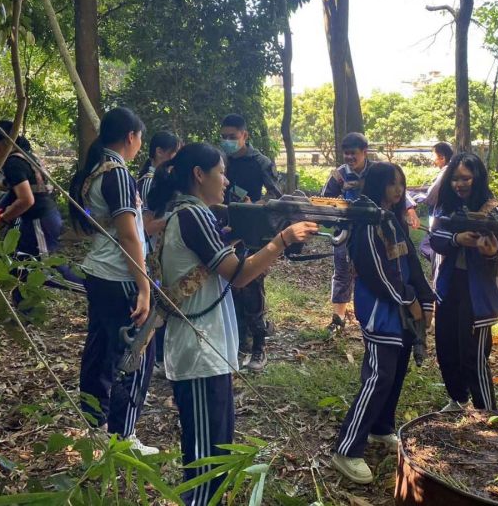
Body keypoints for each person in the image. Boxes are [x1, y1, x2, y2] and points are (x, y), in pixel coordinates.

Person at [147, 142, 317, 505]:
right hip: (199, 353)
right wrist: (282, 240)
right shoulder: (191, 215)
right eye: (221, 172)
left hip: (206, 348)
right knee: (205, 460)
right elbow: (238, 275)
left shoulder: (195, 214)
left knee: (215, 448)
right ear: (199, 175)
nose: (225, 181)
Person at [331, 162, 434, 485]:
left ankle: (381, 427)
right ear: (377, 185)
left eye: (401, 183)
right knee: (380, 375)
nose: (398, 190)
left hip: (402, 310)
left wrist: (426, 298)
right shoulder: (367, 221)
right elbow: (376, 273)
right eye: (391, 184)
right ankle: (347, 448)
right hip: (380, 310)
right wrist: (409, 301)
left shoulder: (392, 218)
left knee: (396, 371)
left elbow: (410, 264)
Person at [68, 107, 157, 455]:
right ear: (131, 137)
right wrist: (145, 286)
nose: (139, 146)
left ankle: (95, 424)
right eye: (140, 140)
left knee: (101, 349)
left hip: (98, 271)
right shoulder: (118, 173)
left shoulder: (94, 168)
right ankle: (124, 436)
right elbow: (128, 236)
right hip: (120, 275)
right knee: (135, 354)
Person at [430, 152, 498, 413]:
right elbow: (435, 238)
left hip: (480, 291)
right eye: (454, 178)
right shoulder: (447, 207)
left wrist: (489, 252)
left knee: (474, 355)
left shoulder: (495, 210)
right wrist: (458, 240)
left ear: (477, 178)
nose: (460, 184)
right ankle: (457, 399)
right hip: (450, 284)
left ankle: (487, 410)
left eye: (466, 178)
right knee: (445, 346)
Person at [321, 133, 420, 336]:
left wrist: (410, 210)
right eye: (346, 154)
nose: (349, 158)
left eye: (353, 153)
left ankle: (383, 312)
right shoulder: (338, 176)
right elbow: (324, 201)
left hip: (379, 232)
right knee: (342, 272)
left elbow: (400, 191)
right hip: (347, 233)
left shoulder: (379, 171)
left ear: (365, 152)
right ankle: (338, 317)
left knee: (381, 270)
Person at [0, 121, 85, 312]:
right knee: (17, 264)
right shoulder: (23, 157)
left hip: (40, 220)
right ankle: (25, 313)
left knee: (45, 268)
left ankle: (94, 289)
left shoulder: (13, 162)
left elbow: (26, 200)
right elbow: (20, 186)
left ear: (3, 142)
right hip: (33, 221)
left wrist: (2, 218)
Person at [219, 113, 281, 371]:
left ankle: (259, 347)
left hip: (253, 233)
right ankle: (237, 344)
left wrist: (254, 206)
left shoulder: (260, 163)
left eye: (232, 137)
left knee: (253, 289)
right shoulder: (221, 161)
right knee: (230, 289)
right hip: (224, 229)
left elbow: (276, 197)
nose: (227, 142)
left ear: (245, 136)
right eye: (223, 138)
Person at [138, 131, 181, 373]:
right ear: (159, 152)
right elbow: (145, 225)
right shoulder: (149, 181)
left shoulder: (159, 178)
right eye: (173, 152)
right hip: (150, 251)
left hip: (158, 250)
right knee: (158, 305)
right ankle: (155, 357)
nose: (175, 158)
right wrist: (176, 218)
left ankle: (159, 356)